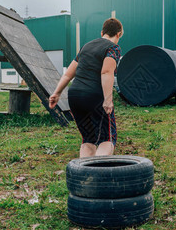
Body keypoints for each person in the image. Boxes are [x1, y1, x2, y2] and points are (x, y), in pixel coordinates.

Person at [49, 18, 123, 158]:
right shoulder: (113, 48)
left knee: (88, 139)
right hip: (94, 97)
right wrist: (108, 100)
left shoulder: (86, 46)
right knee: (106, 139)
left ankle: (85, 175)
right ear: (118, 34)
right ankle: (99, 175)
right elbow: (106, 72)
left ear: (102, 32)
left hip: (75, 96)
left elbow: (68, 75)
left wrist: (56, 93)